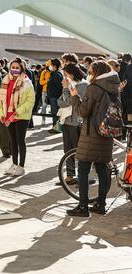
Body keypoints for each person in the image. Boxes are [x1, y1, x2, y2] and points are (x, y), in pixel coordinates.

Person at [67, 61, 120, 217]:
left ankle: (83, 207)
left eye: (90, 71)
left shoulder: (94, 88)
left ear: (96, 73)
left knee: (83, 170)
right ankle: (100, 205)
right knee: (103, 170)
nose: (88, 73)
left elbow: (83, 112)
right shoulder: (114, 88)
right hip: (106, 133)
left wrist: (75, 97)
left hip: (91, 134)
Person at [0, 58, 35, 177]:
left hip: (21, 116)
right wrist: (1, 113)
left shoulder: (26, 82)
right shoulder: (5, 80)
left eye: (17, 68)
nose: (14, 70)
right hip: (9, 116)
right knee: (12, 141)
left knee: (20, 141)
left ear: (21, 69)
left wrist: (18, 111)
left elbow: (30, 101)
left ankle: (21, 166)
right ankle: (14, 164)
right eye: (12, 67)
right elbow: (1, 100)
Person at [57, 63, 88, 185]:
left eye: (65, 74)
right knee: (67, 150)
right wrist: (66, 94)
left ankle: (81, 176)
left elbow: (69, 101)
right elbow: (60, 102)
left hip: (76, 122)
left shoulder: (82, 85)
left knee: (77, 150)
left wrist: (65, 89)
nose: (63, 78)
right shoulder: (70, 85)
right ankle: (70, 176)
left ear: (72, 74)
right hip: (67, 121)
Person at [47, 58, 64, 133]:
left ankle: (56, 128)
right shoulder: (54, 73)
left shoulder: (56, 74)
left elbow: (59, 87)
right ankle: (55, 127)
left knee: (55, 113)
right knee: (55, 113)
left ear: (55, 66)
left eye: (51, 65)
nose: (49, 66)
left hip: (55, 96)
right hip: (53, 96)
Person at [39, 60, 51, 125]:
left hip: (52, 92)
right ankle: (43, 120)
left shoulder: (54, 72)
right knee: (44, 106)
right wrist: (47, 80)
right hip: (45, 91)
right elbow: (40, 82)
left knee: (54, 107)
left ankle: (54, 122)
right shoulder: (44, 72)